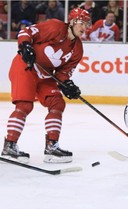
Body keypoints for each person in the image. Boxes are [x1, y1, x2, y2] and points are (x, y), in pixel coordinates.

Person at [1, 8, 91, 164]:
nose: (84, 28)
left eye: (86, 24)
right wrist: (25, 46)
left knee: (57, 102)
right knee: (24, 105)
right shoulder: (55, 27)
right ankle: (9, 146)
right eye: (81, 23)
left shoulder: (77, 49)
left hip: (45, 73)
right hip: (25, 66)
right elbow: (26, 32)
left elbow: (64, 72)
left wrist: (67, 84)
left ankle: (51, 146)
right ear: (71, 22)